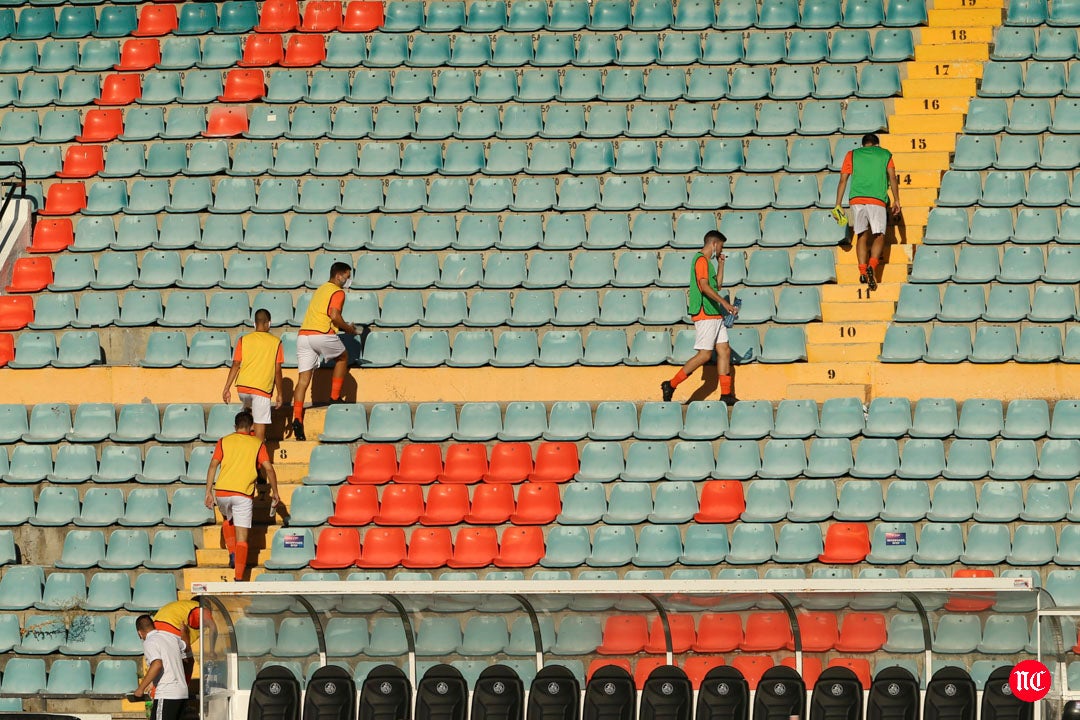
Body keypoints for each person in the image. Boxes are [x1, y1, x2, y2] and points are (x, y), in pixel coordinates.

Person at [661, 230, 740, 404]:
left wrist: (721, 265)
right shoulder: (700, 260)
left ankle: (726, 395)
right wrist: (726, 304)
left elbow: (717, 286)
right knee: (704, 355)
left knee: (724, 350)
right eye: (720, 246)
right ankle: (670, 384)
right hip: (705, 314)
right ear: (714, 244)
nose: (721, 250)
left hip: (714, 313)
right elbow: (704, 287)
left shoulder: (709, 264)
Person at [205, 410, 280, 581]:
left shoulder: (223, 441)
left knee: (227, 518)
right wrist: (275, 492)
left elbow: (212, 466)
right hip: (243, 494)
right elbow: (268, 468)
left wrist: (208, 491)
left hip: (222, 491)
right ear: (252, 427)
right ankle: (238, 577)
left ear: (235, 426)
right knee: (242, 538)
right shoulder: (257, 444)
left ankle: (232, 553)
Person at [291, 261, 362, 441]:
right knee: (343, 357)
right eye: (347, 276)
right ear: (339, 276)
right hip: (321, 333)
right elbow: (334, 315)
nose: (348, 280)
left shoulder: (321, 289)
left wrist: (344, 325)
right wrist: (348, 329)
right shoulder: (338, 292)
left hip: (304, 336)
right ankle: (334, 396)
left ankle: (297, 417)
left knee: (303, 380)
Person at [834, 133, 901, 292]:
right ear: (877, 144)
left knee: (861, 235)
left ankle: (863, 271)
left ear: (863, 144)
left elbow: (843, 180)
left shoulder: (851, 154)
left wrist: (837, 204)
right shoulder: (885, 154)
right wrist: (896, 199)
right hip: (876, 199)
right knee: (879, 235)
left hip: (856, 199)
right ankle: (872, 266)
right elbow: (892, 177)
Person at [221, 308, 283, 441]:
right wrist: (280, 393)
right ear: (269, 323)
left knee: (248, 417)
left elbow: (236, 364)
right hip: (261, 389)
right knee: (260, 433)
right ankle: (257, 460)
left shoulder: (244, 340)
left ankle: (244, 446)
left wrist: (226, 388)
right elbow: (277, 370)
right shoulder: (276, 342)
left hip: (243, 388)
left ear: (254, 324)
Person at [133, 614, 191, 720]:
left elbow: (157, 664)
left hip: (167, 693)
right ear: (153, 626)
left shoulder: (149, 642)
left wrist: (140, 689)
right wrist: (184, 632)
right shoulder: (170, 636)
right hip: (182, 693)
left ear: (139, 633)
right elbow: (186, 646)